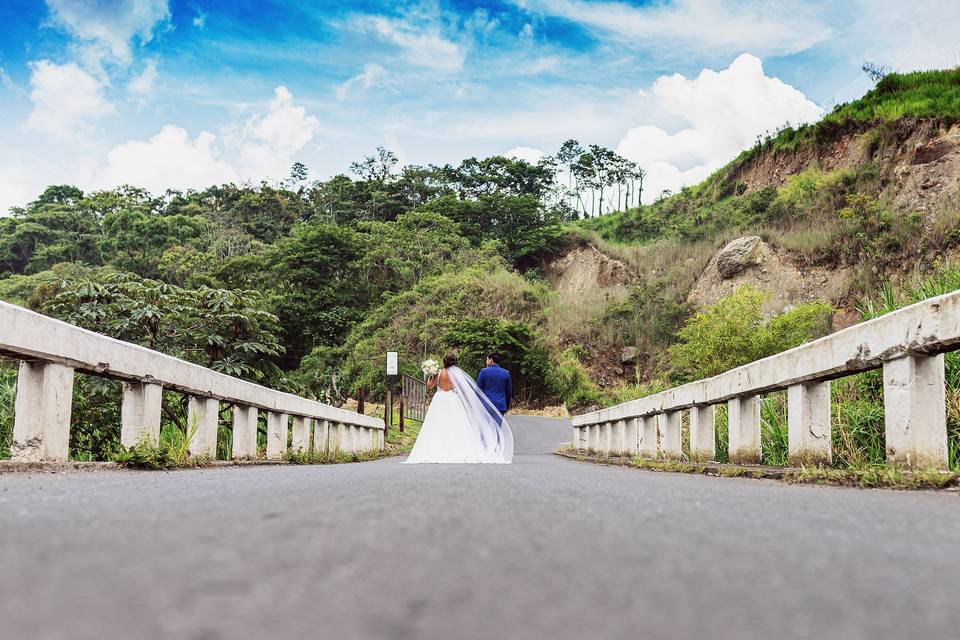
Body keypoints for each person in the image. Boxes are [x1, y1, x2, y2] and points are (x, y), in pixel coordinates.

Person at [404, 353, 513, 464]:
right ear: (455, 362)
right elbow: (464, 391)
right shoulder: (457, 375)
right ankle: (494, 451)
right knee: (457, 424)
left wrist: (430, 376)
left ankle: (439, 448)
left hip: (440, 400)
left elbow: (429, 386)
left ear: (444, 362)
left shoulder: (439, 373)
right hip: (455, 399)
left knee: (438, 423)